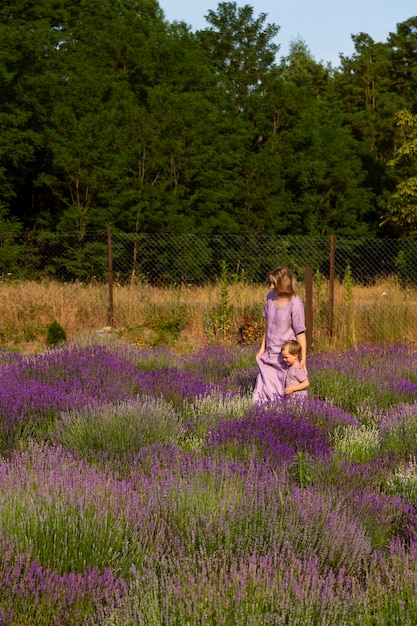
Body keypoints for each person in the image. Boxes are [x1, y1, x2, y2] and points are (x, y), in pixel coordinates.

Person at [253, 265, 307, 404]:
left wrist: (303, 358)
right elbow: (268, 325)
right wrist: (262, 348)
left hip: (285, 358)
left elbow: (300, 333)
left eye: (274, 283)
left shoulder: (295, 303)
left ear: (284, 284)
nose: (271, 287)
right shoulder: (270, 297)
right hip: (269, 355)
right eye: (270, 283)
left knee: (281, 398)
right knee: (259, 397)